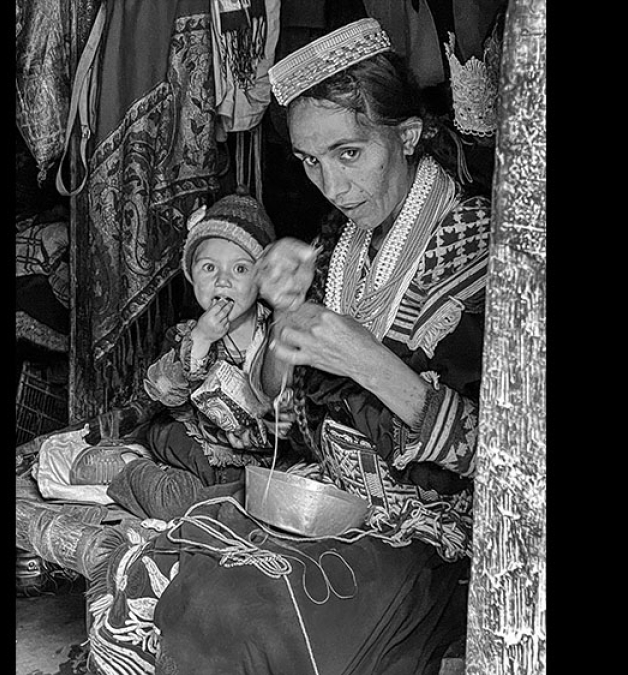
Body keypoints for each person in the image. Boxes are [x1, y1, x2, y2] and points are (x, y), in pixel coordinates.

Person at [84, 18, 491, 675]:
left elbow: (508, 466)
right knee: (172, 572)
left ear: (408, 135)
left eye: (348, 153)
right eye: (309, 161)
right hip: (335, 504)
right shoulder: (338, 245)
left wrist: (368, 359)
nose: (330, 184)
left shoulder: (483, 254)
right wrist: (286, 326)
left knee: (243, 609)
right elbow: (296, 422)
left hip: (431, 544)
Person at [104, 193, 300, 522]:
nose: (223, 280)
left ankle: (209, 495)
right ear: (193, 276)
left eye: (240, 268)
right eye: (209, 268)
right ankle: (129, 469)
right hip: (191, 437)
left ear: (263, 279)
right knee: (199, 490)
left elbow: (290, 396)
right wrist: (202, 340)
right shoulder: (188, 333)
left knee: (273, 496)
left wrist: (280, 420)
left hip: (256, 451)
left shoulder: (277, 330)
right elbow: (162, 390)